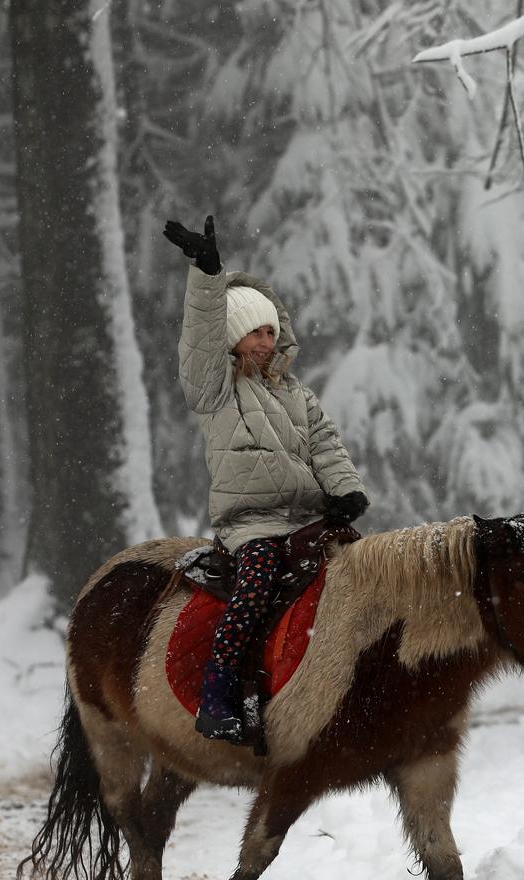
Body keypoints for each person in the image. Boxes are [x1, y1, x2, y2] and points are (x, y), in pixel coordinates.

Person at [165, 215, 369, 746]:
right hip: (250, 524)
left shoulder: (296, 394)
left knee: (359, 576)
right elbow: (199, 342)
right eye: (255, 331)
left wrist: (345, 488)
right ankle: (220, 690)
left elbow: (323, 442)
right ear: (232, 338)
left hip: (306, 517)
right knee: (256, 583)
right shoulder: (216, 388)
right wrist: (208, 276)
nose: (265, 340)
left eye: (271, 331)